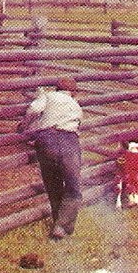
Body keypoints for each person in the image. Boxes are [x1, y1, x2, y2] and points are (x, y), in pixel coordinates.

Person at [17, 78, 83, 240]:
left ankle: (58, 223)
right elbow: (78, 125)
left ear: (57, 89)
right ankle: (61, 227)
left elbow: (33, 108)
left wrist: (24, 126)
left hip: (47, 141)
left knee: (53, 186)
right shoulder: (76, 106)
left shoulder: (49, 96)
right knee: (73, 189)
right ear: (73, 92)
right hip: (70, 141)